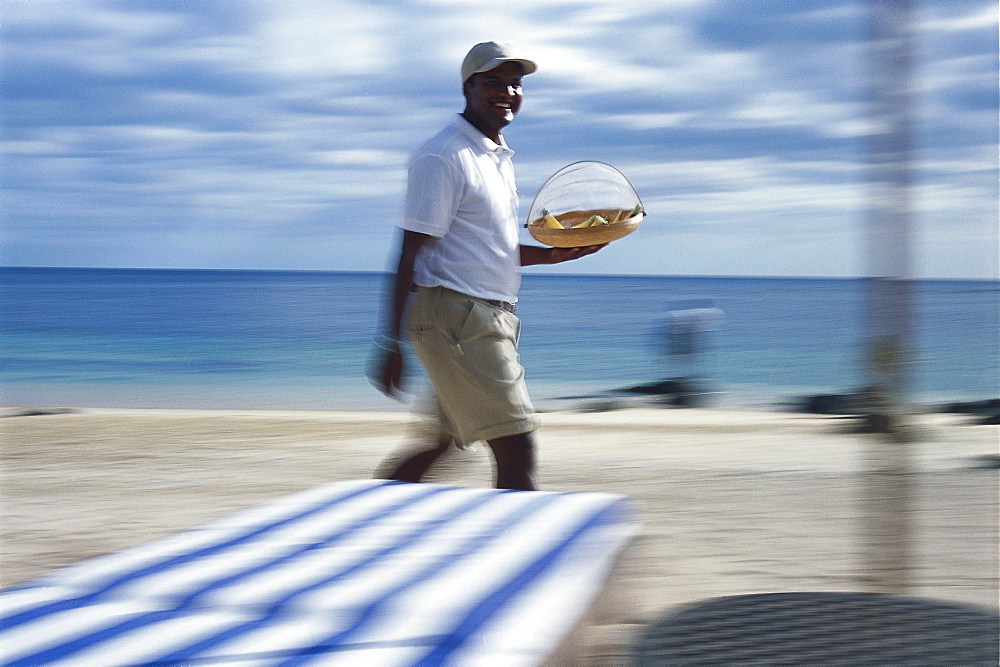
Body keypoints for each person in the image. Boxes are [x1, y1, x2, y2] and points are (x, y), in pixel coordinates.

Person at [372, 41, 604, 491]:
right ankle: (530, 558)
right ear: (468, 88)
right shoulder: (445, 156)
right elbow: (409, 251)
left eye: (515, 84)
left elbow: (487, 247)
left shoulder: (494, 156)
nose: (507, 92)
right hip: (457, 319)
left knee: (443, 442)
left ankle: (363, 516)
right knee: (518, 446)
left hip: (478, 317)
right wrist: (389, 342)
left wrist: (552, 254)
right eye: (493, 82)